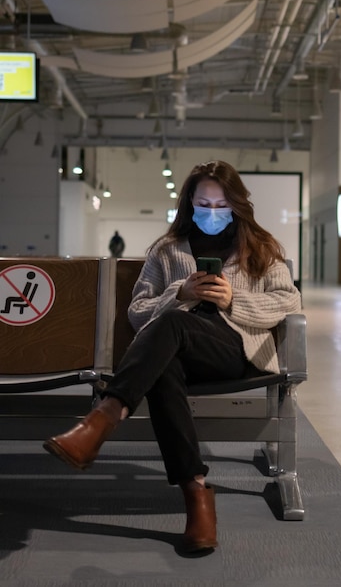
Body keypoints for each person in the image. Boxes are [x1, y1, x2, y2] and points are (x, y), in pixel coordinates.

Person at [43, 160, 301, 553]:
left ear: (236, 204)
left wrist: (235, 300)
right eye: (203, 203)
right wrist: (179, 295)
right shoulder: (166, 250)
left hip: (236, 349)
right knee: (167, 351)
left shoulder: (260, 248)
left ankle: (104, 417)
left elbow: (288, 300)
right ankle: (196, 494)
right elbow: (137, 310)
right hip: (177, 352)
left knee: (170, 328)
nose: (211, 213)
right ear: (189, 203)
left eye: (220, 204)